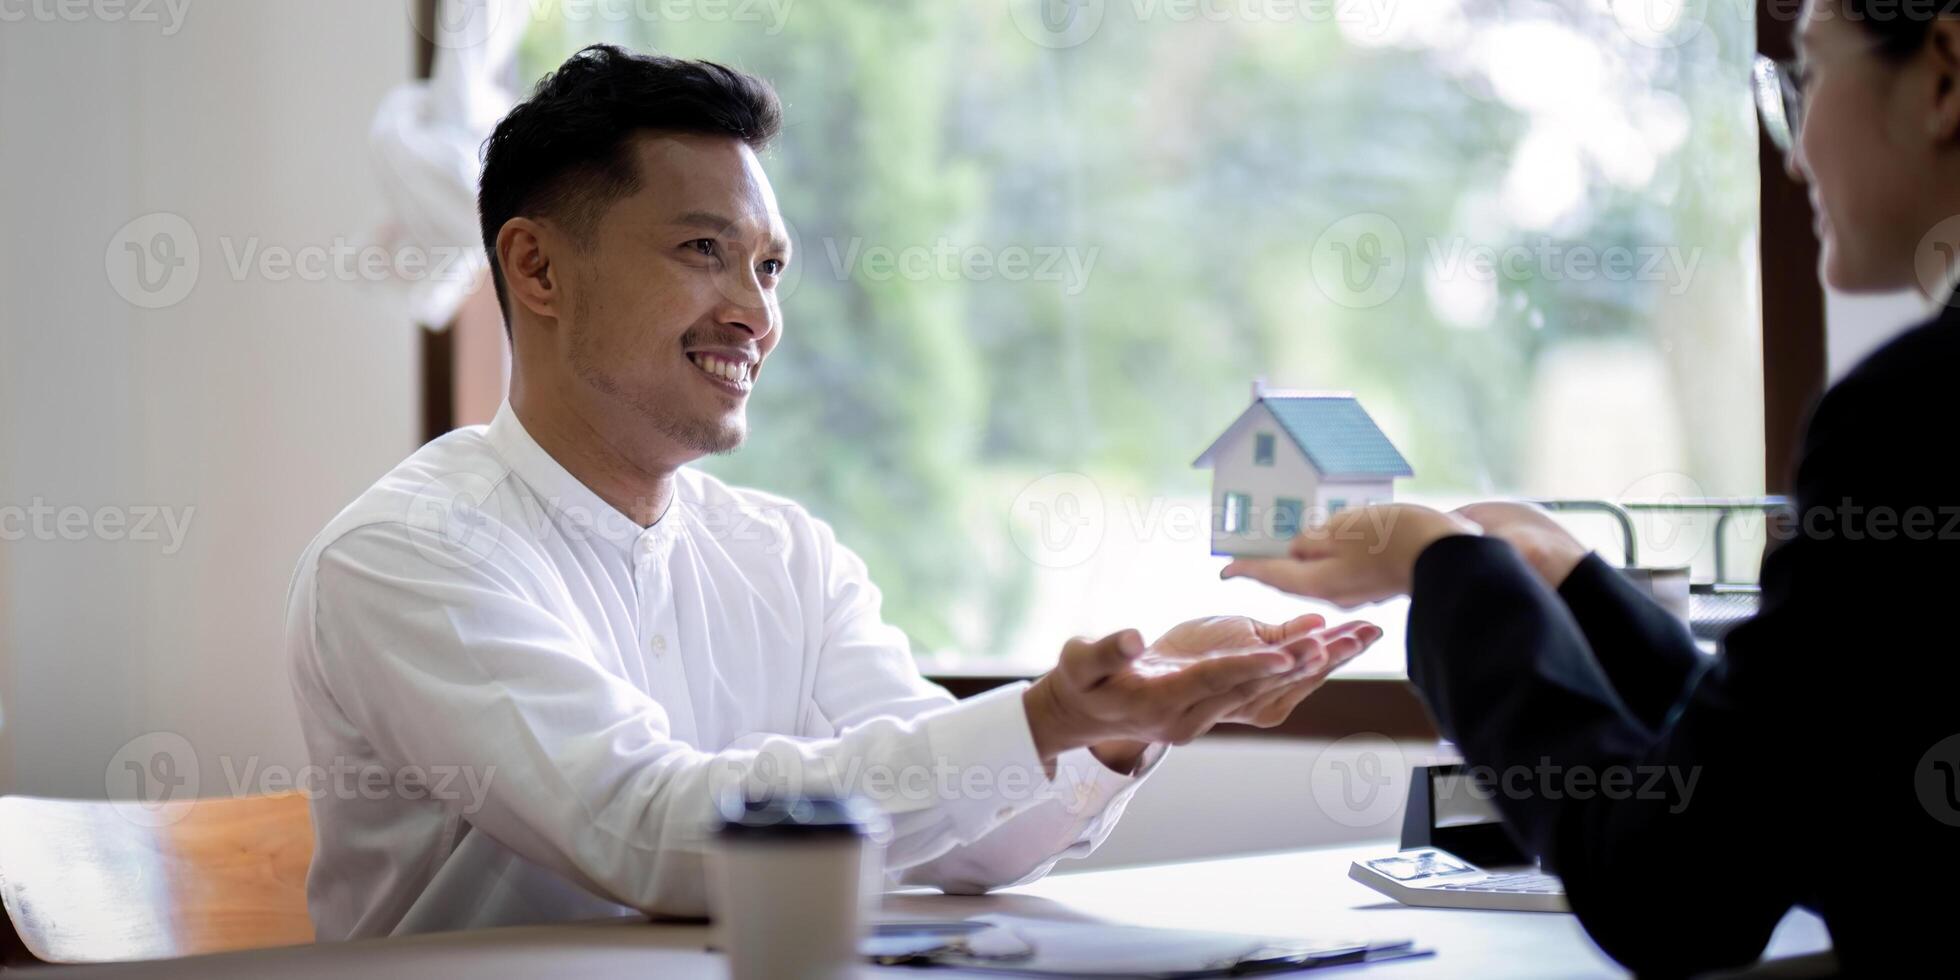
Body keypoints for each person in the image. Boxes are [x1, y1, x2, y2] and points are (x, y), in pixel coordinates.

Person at [284, 45, 1381, 941]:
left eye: (768, 268)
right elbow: (646, 830)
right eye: (704, 249)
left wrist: (1111, 725)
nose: (756, 314)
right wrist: (1039, 714)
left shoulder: (784, 554)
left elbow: (963, 838)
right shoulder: (409, 552)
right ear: (536, 269)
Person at [1222, 1, 1960, 973]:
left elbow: (1672, 888)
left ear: (1944, 73)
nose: (1791, 153)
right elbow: (1814, 798)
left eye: (1807, 76)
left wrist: (1441, 568)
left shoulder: (1910, 418)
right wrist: (1564, 579)